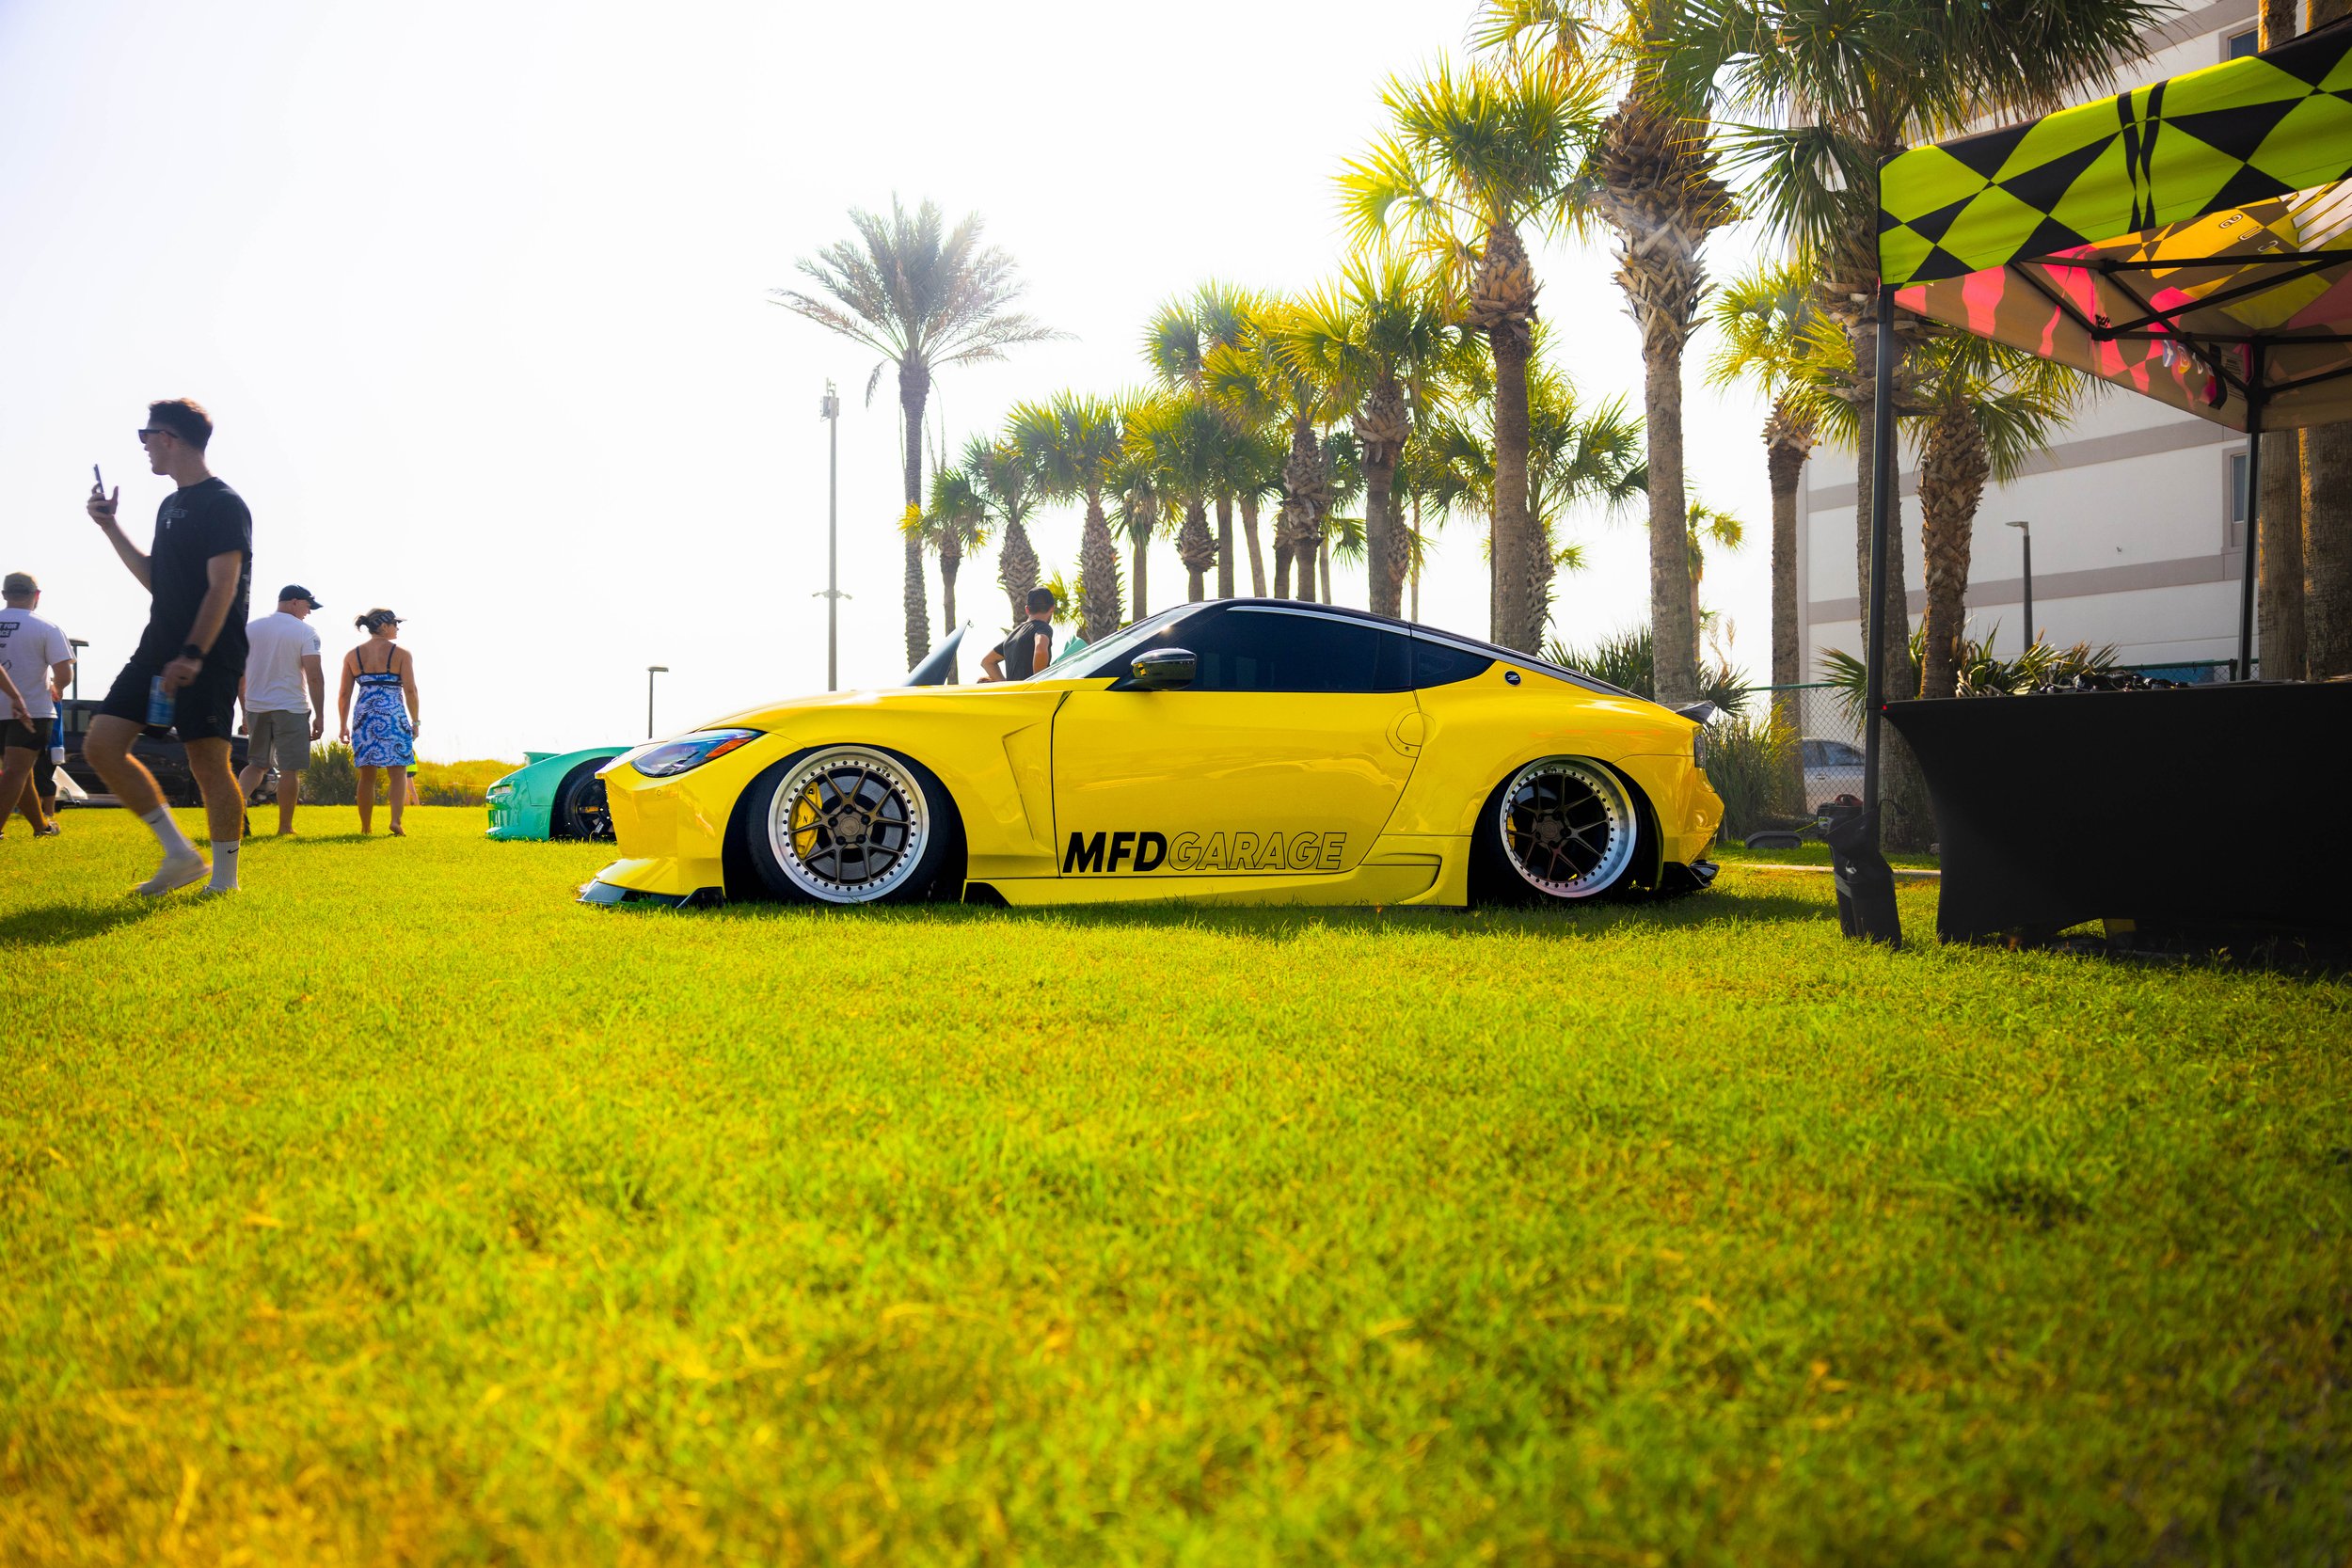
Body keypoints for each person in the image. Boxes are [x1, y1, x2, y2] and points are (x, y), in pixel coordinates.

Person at [83, 399, 252, 895]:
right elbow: (159, 579)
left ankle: (224, 881)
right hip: (157, 647)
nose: (144, 447)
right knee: (102, 745)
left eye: (146, 436)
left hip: (209, 653)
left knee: (207, 761)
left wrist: (194, 653)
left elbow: (223, 586)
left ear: (171, 438)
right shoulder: (169, 504)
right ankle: (180, 854)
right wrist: (110, 526)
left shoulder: (224, 503)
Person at [236, 586, 326, 835]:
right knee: (289, 769)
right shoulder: (306, 632)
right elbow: (315, 676)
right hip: (292, 707)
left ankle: (236, 808)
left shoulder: (250, 629)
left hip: (256, 706)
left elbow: (239, 674)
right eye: (308, 607)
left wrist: (244, 710)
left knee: (256, 764)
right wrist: (320, 715)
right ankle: (285, 827)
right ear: (295, 603)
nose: (309, 613)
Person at [0, 572, 74, 839]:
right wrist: (58, 688)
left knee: (20, 772)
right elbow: (64, 673)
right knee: (16, 771)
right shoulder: (46, 628)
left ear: (5, 594)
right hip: (32, 709)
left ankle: (41, 827)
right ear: (36, 596)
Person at [339, 609, 419, 835]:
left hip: (364, 716)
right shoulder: (402, 654)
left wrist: (343, 725)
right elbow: (411, 690)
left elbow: (344, 695)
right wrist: (416, 721)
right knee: (398, 771)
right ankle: (396, 821)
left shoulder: (352, 655)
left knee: (367, 775)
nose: (397, 627)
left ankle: (366, 827)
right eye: (395, 623)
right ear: (383, 626)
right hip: (393, 715)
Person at [980, 587, 1057, 682]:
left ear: (1027, 609)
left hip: (1016, 695)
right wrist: (1038, 684)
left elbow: (987, 661)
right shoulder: (1042, 627)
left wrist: (1007, 687)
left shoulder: (1013, 635)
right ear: (1052, 608)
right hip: (1032, 695)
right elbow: (1040, 648)